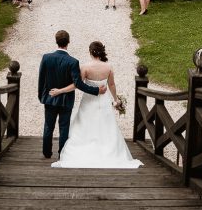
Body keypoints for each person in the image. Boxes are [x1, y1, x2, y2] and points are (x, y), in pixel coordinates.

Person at [50, 41, 141, 169]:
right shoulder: (108, 67)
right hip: (103, 101)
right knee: (106, 125)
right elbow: (112, 85)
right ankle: (108, 151)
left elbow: (77, 85)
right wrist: (116, 100)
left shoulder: (85, 67)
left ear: (90, 52)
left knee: (84, 124)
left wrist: (60, 90)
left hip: (88, 101)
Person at [37, 30, 106, 159]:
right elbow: (78, 84)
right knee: (64, 127)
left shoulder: (46, 57)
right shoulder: (73, 62)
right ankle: (62, 154)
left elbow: (41, 79)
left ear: (56, 41)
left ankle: (46, 153)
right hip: (66, 100)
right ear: (68, 42)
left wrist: (42, 96)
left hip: (50, 98)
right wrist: (96, 91)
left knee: (48, 126)